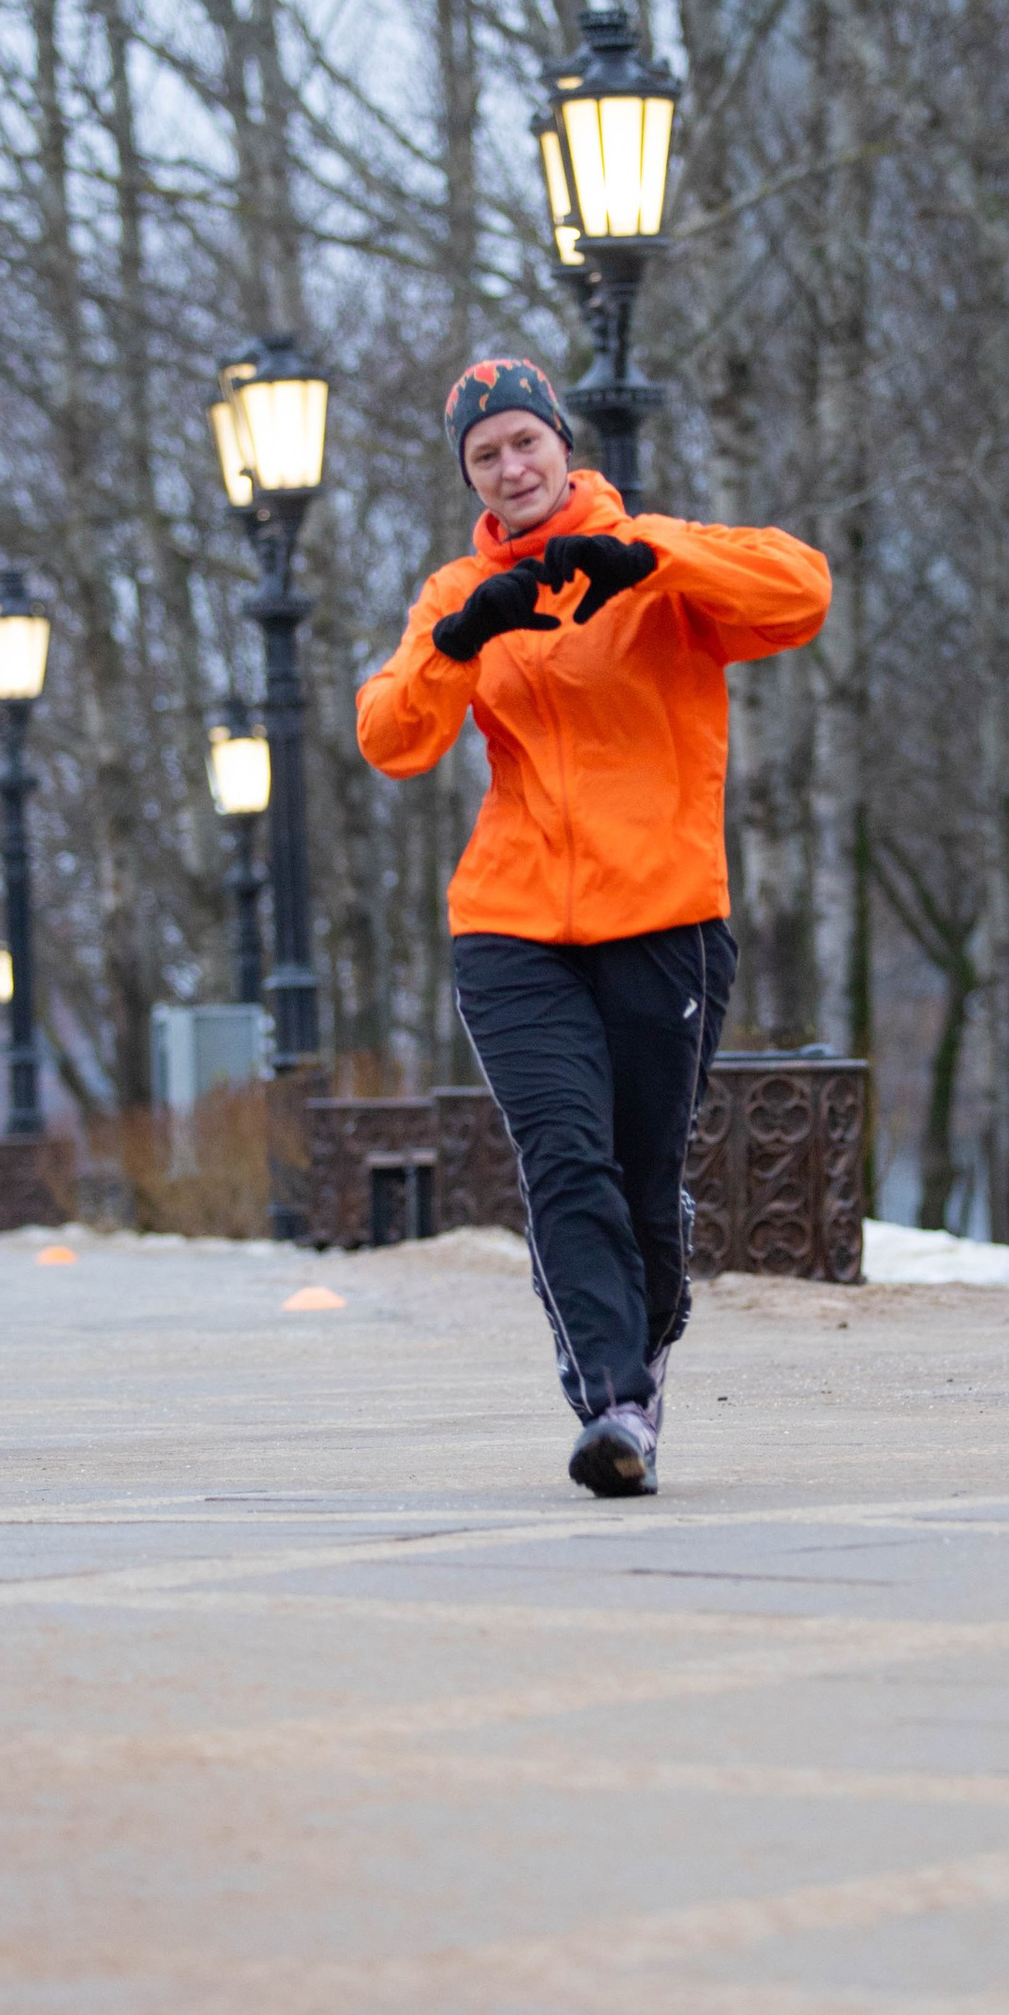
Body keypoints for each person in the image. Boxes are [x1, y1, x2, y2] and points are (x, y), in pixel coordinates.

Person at [358, 355, 829, 1497]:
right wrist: (461, 639)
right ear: (468, 475)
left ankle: (642, 1360)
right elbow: (393, 738)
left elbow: (799, 591)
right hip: (513, 925)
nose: (511, 467)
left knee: (643, 1169)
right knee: (564, 1156)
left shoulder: (662, 562)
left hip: (663, 916)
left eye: (525, 441)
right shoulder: (451, 591)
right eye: (485, 456)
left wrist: (647, 558)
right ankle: (612, 1401)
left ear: (562, 443)